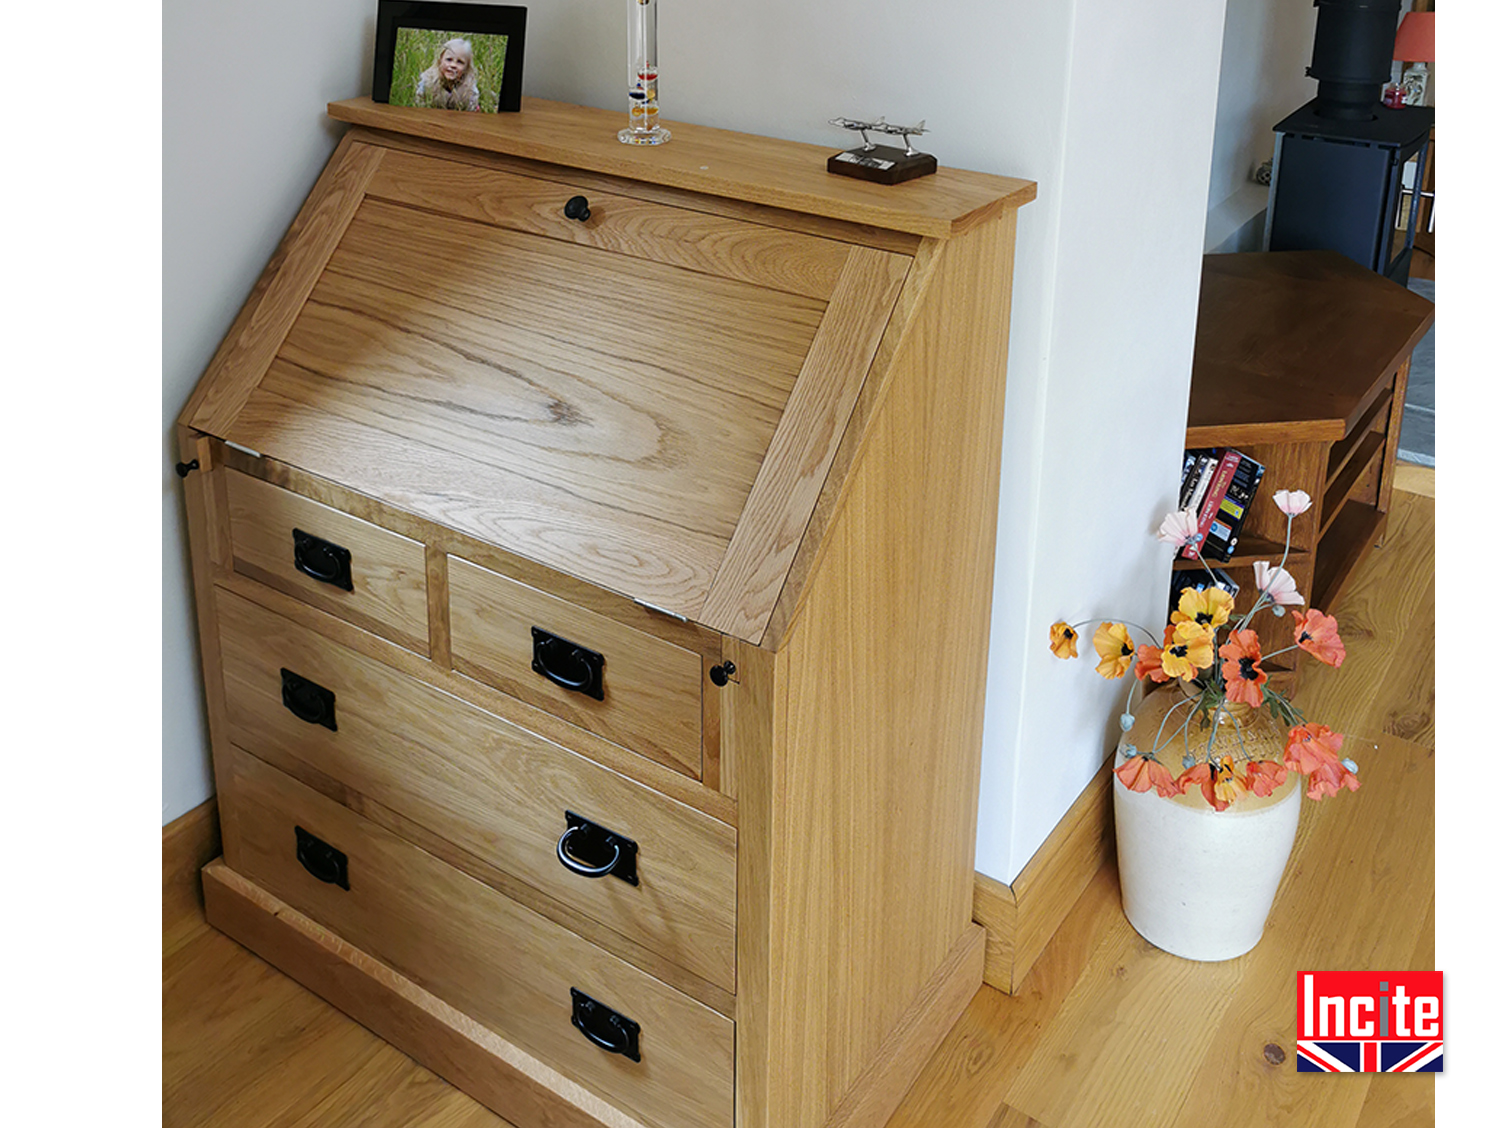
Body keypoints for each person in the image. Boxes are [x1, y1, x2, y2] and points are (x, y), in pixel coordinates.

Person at [414, 39, 481, 111]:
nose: (453, 65)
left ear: (466, 68)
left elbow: (471, 113)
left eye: (460, 62)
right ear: (440, 61)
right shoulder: (428, 82)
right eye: (449, 60)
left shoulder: (469, 90)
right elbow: (419, 105)